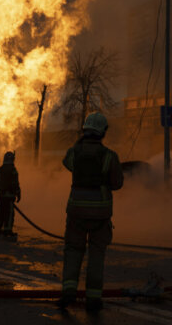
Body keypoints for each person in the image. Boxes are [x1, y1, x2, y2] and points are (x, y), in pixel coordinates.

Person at [57, 112, 123, 312]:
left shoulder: (74, 152)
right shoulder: (110, 156)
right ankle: (94, 299)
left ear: (84, 131)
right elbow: (117, 184)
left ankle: (68, 292)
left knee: (73, 251)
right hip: (100, 216)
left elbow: (67, 163)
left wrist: (80, 143)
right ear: (103, 132)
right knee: (96, 254)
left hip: (76, 212)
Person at [0, 151, 21, 238]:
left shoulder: (0, 169)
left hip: (0, 196)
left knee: (0, 214)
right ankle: (7, 231)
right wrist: (18, 193)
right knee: (9, 214)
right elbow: (15, 183)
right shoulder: (13, 170)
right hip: (9, 197)